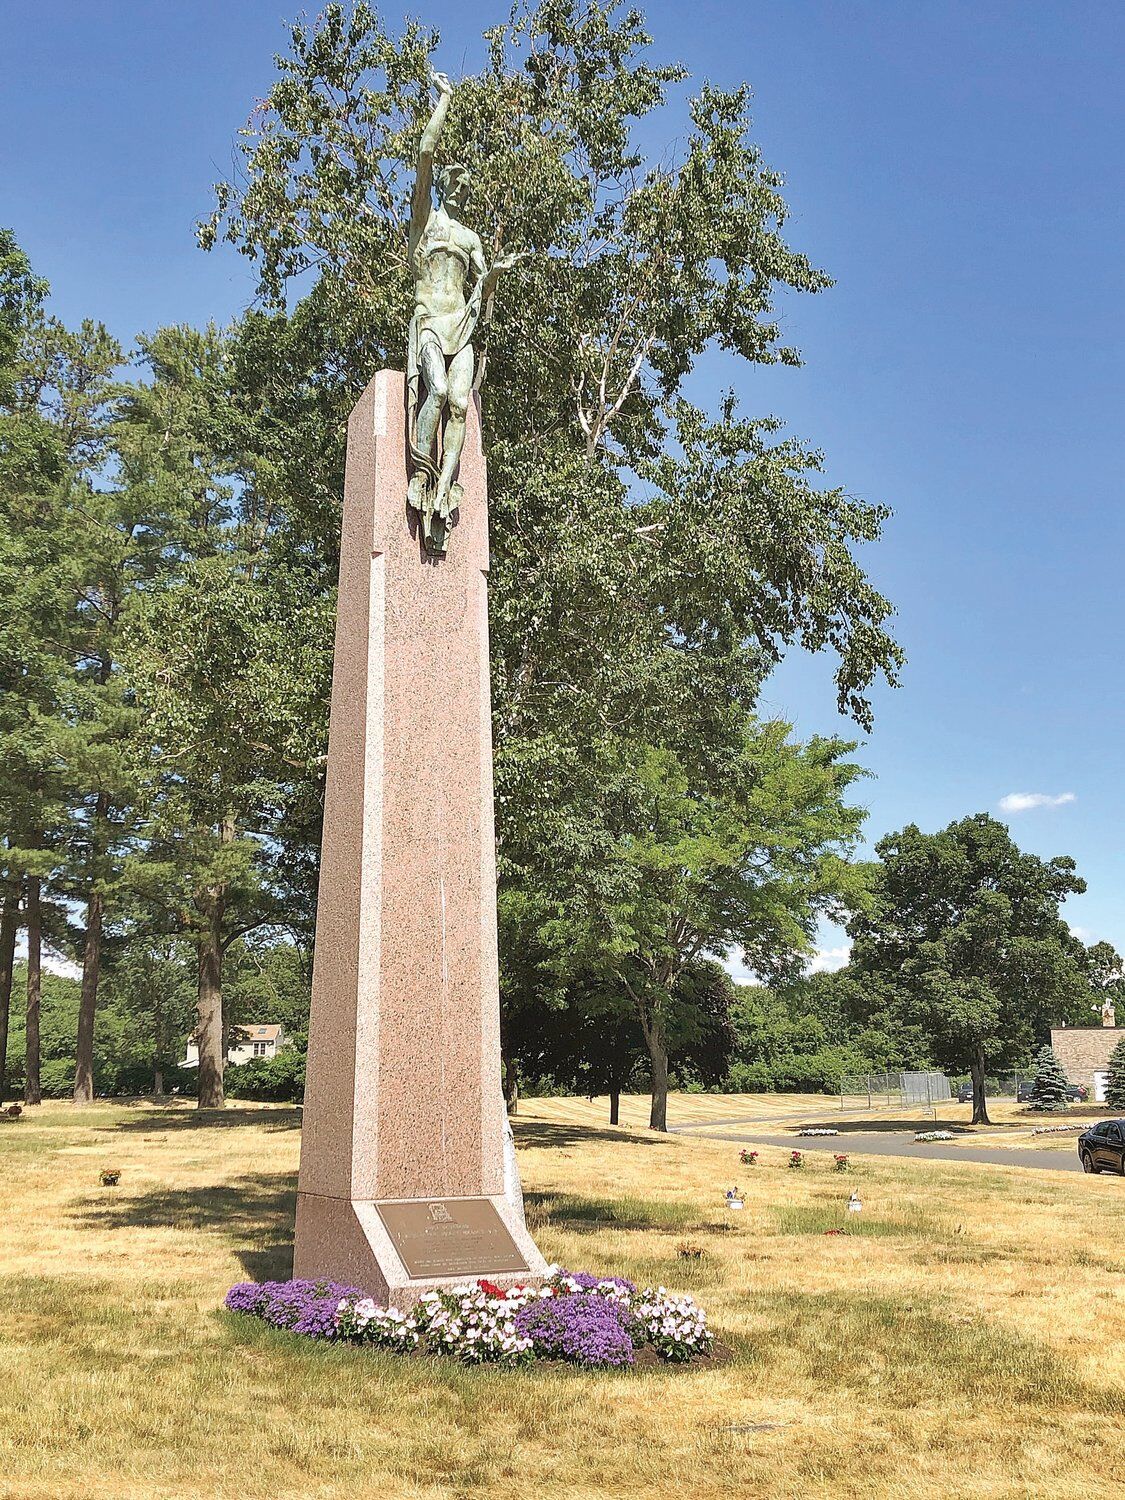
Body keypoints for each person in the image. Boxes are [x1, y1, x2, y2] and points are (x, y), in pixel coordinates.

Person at [407, 70, 522, 553]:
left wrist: (494, 275)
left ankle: (445, 491)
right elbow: (425, 153)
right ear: (442, 189)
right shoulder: (425, 222)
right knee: (434, 389)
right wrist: (445, 100)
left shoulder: (471, 239)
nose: (459, 192)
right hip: (431, 322)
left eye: (465, 189)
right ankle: (418, 471)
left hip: (463, 325)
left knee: (460, 403)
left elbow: (484, 289)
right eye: (454, 185)